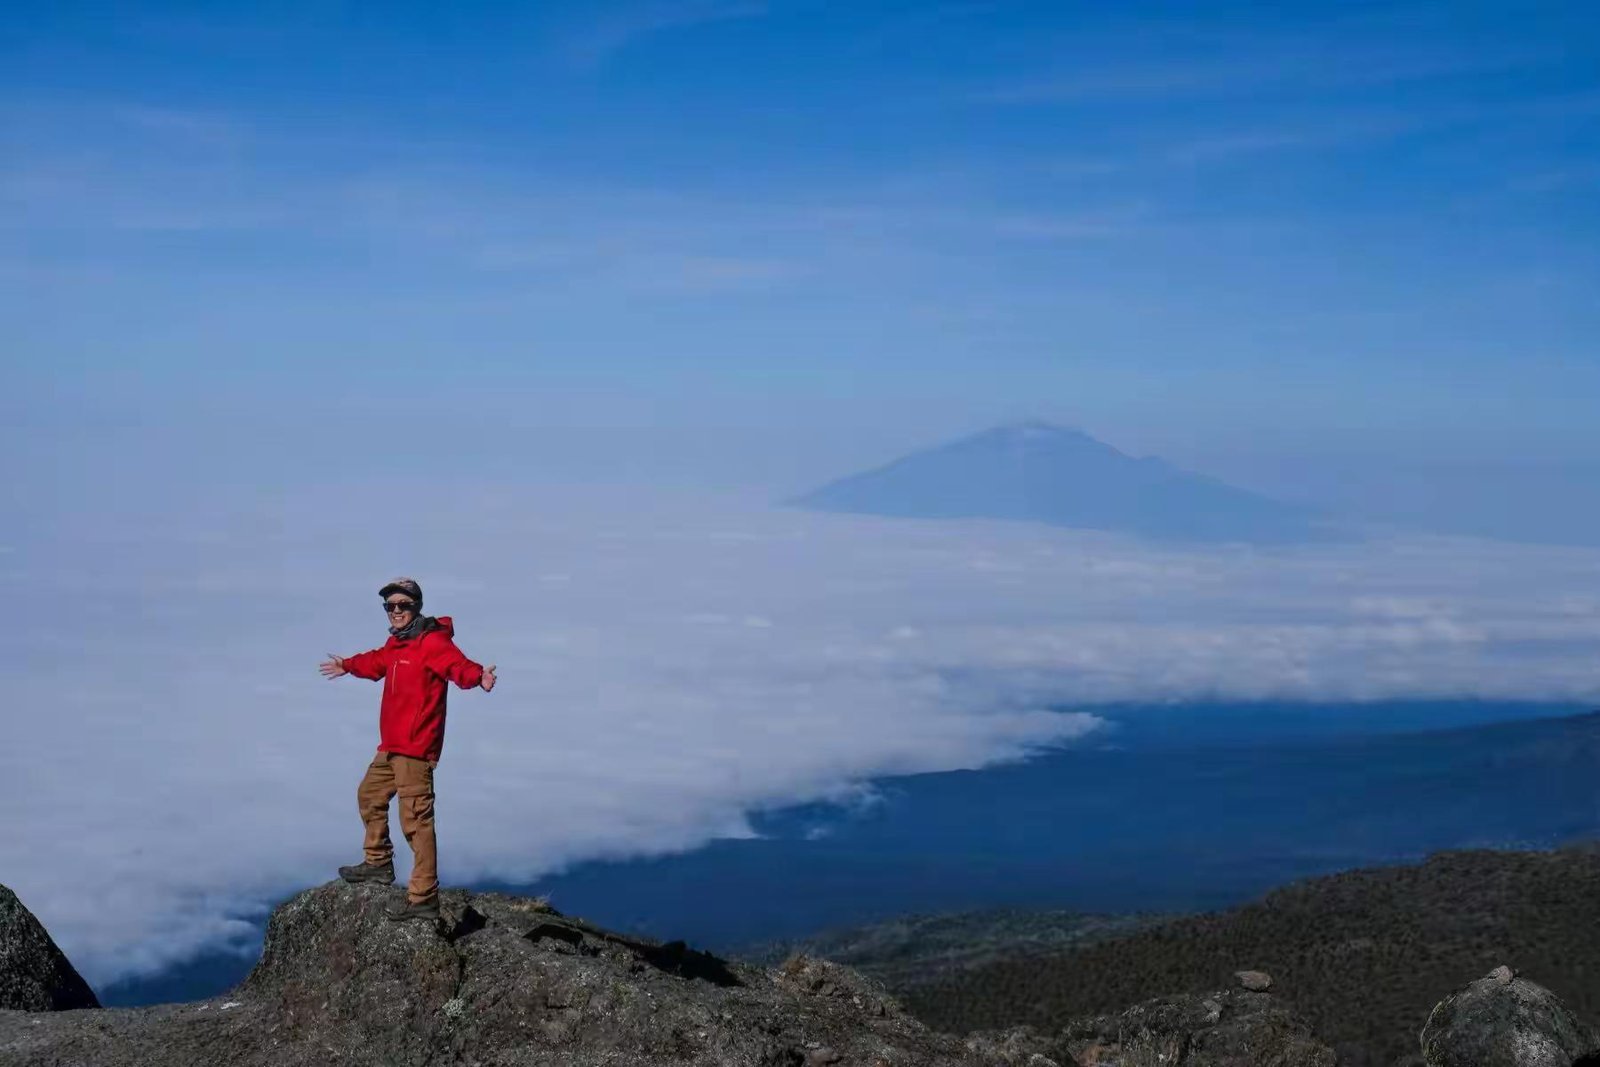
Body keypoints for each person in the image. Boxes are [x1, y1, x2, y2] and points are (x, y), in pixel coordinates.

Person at [319, 578, 496, 921]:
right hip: (391, 747)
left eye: (403, 605)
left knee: (415, 822)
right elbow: (376, 662)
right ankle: (378, 863)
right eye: (390, 606)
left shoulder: (431, 643)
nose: (396, 611)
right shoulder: (398, 644)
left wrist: (478, 677)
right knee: (369, 796)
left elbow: (457, 666)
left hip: (415, 750)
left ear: (417, 606)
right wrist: (348, 665)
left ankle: (424, 897)